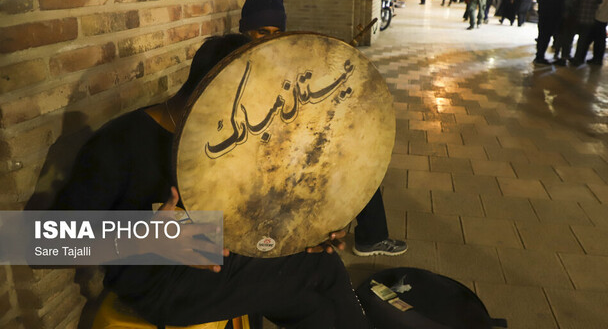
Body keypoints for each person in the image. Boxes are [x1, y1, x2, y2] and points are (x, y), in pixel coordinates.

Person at [53, 32, 371, 328]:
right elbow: (43, 244)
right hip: (159, 281)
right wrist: (141, 238)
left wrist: (307, 229)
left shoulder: (238, 134)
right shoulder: (119, 144)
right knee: (317, 273)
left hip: (220, 250)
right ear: (210, 91)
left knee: (320, 289)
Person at [239, 0, 408, 257]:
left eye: (277, 33)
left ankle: (371, 236)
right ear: (246, 31)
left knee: (357, 159)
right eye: (262, 32)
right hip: (261, 160)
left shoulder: (289, 59)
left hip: (293, 148)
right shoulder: (233, 69)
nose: (270, 40)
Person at [559, 0, 601, 66]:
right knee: (582, 40)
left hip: (577, 16)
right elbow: (599, 1)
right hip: (589, 18)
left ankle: (565, 56)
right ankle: (578, 59)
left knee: (569, 37)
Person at [533, 0, 570, 65]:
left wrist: (541, 2)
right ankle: (557, 56)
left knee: (542, 33)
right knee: (555, 33)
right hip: (557, 10)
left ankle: (539, 54)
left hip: (544, 9)